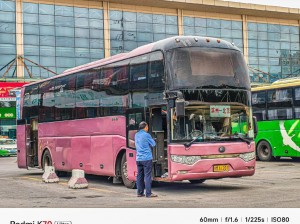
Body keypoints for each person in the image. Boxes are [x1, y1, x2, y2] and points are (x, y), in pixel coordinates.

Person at [135, 121, 158, 198]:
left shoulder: (136, 135)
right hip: (146, 158)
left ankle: (139, 192)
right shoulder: (146, 135)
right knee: (147, 176)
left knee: (140, 176)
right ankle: (148, 193)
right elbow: (153, 144)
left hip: (138, 158)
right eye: (147, 126)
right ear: (145, 127)